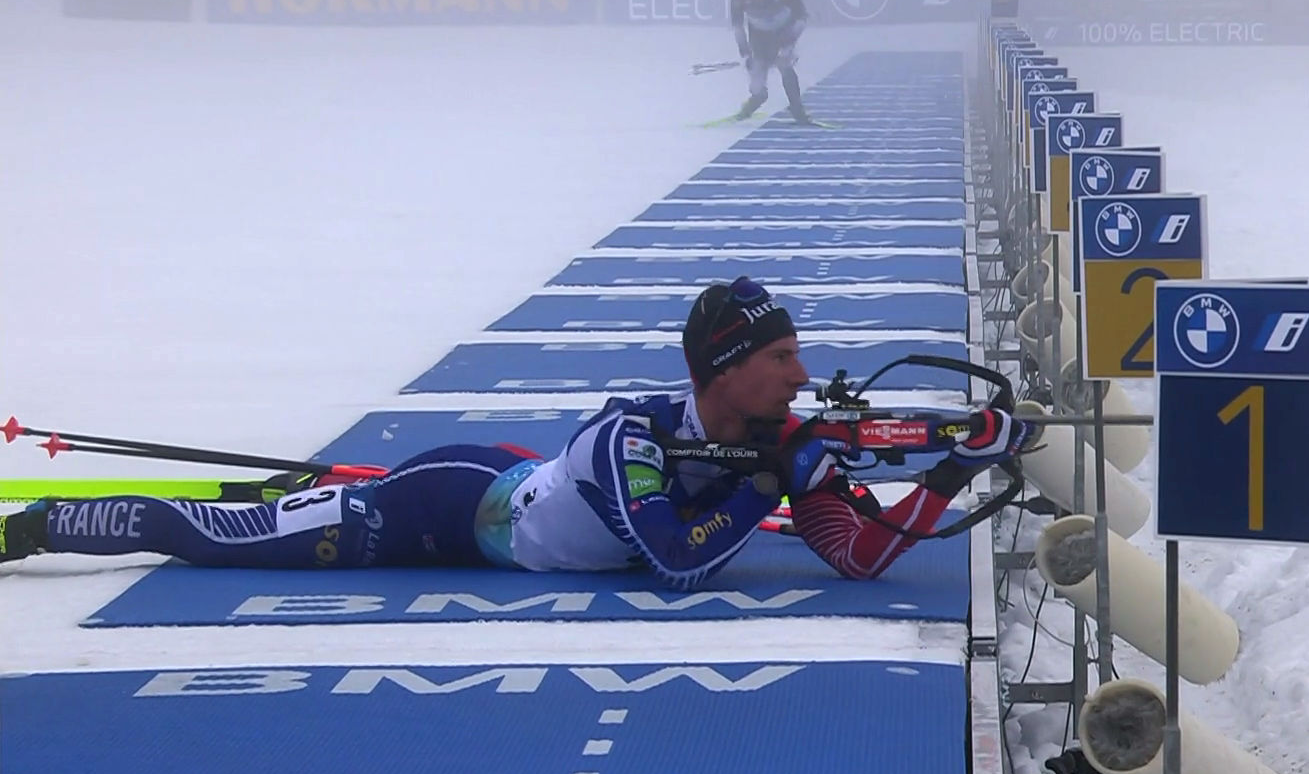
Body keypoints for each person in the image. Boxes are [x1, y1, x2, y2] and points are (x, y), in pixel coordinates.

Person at [0, 278, 1033, 590]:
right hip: (439, 510)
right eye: (781, 359)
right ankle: (37, 526)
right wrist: (771, 483)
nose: (802, 378)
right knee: (205, 537)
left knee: (267, 517)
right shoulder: (631, 438)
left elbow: (860, 558)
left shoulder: (778, 440)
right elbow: (676, 563)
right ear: (724, 371)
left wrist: (951, 471)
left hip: (511, 485)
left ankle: (289, 497)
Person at [726, 0, 816, 126]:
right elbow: (738, 27)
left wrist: (788, 44)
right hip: (758, 36)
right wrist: (745, 53)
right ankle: (755, 100)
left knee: (785, 66)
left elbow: (801, 19)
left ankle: (797, 110)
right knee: (757, 76)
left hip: (784, 32)